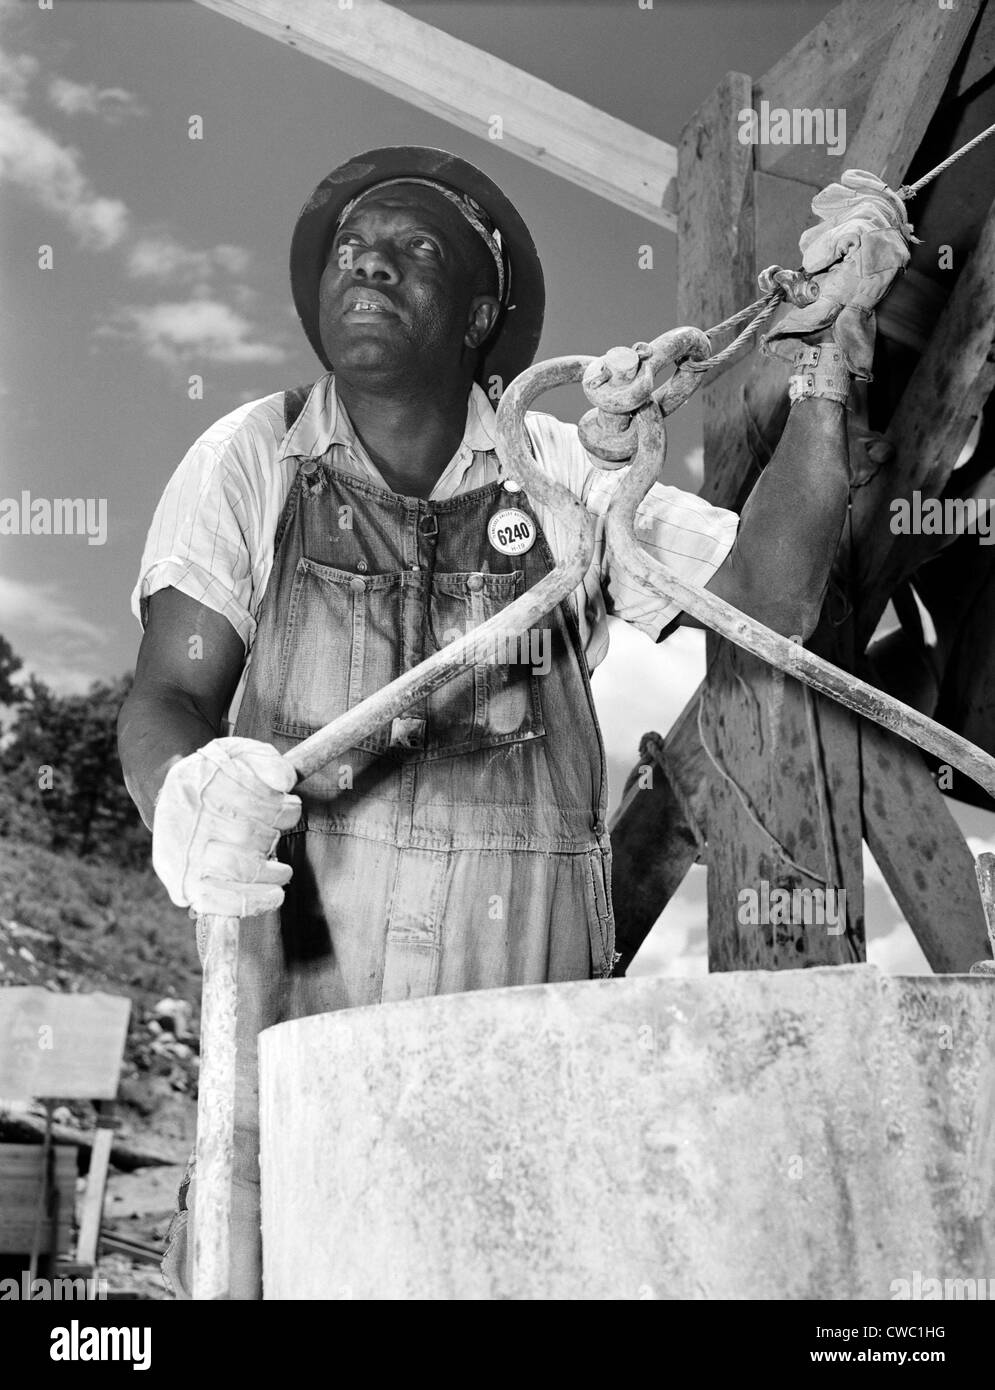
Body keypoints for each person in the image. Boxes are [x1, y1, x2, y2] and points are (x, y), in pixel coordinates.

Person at [117, 148, 910, 1298]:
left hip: (531, 1068)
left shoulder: (565, 471)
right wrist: (182, 796)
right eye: (350, 248)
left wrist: (825, 356)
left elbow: (768, 603)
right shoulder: (252, 458)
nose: (370, 263)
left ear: (482, 315)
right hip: (301, 1052)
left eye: (415, 249)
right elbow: (170, 695)